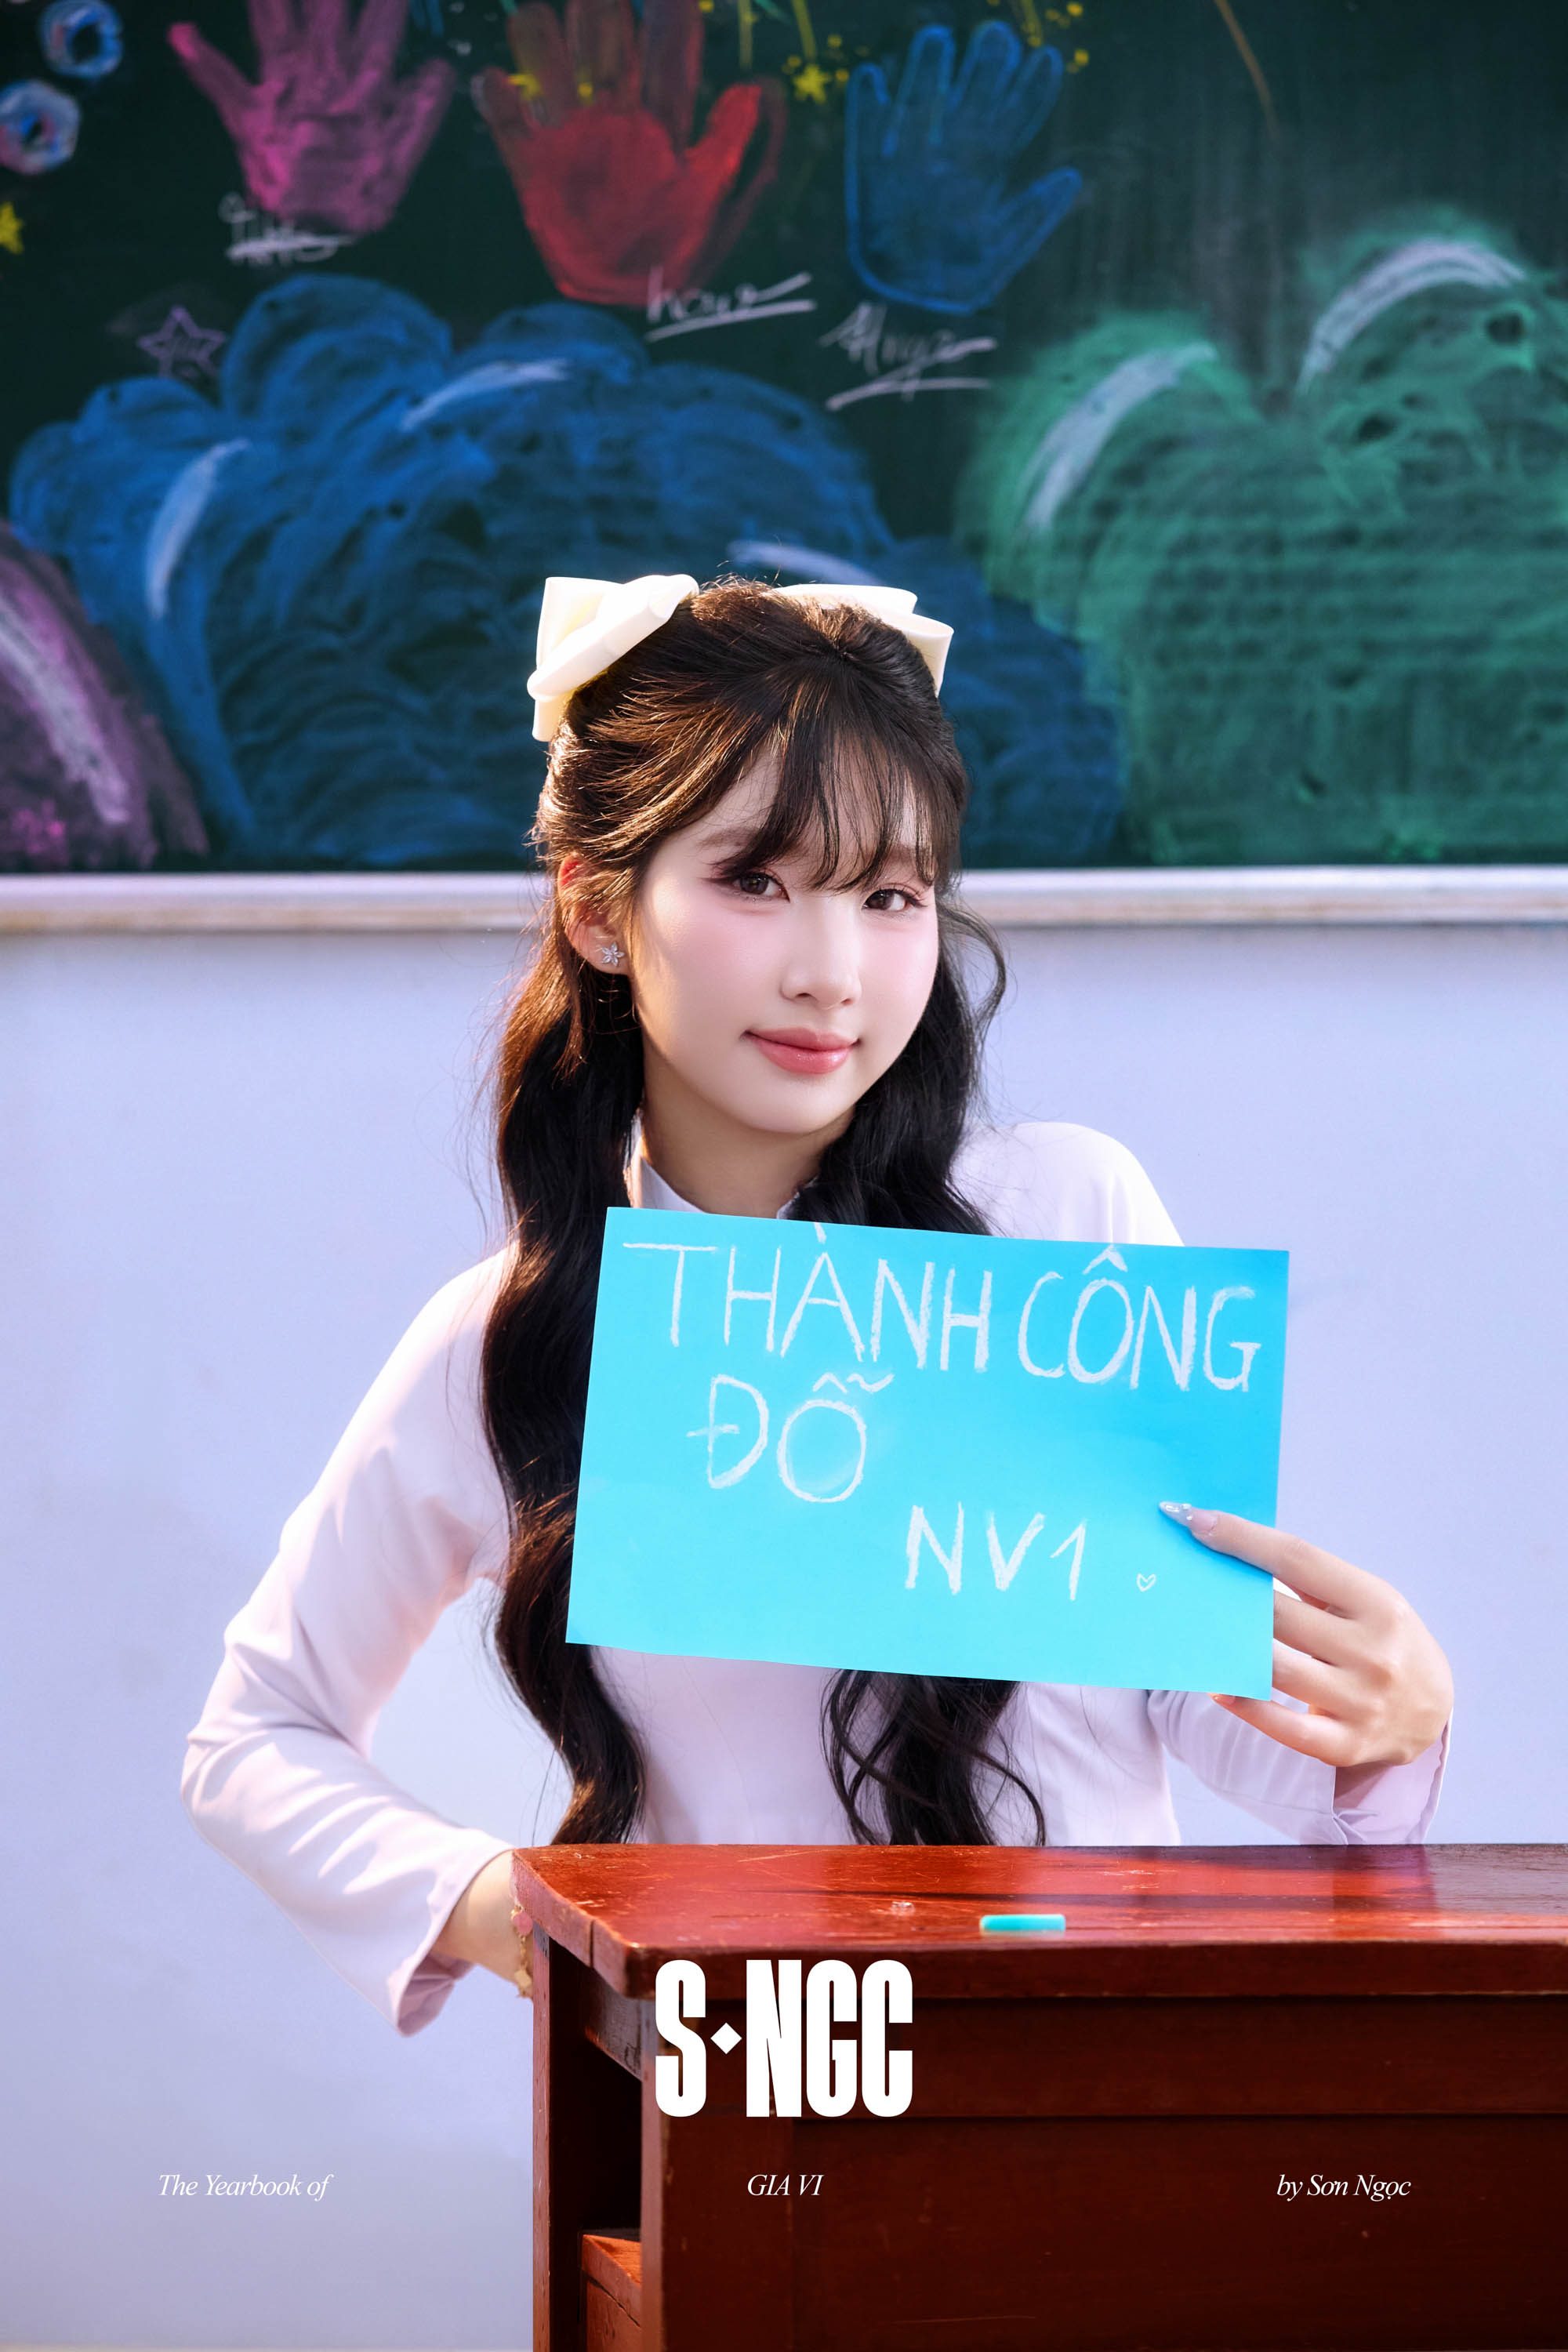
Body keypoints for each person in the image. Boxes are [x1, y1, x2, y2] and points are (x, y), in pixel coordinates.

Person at [180, 572, 1454, 2038]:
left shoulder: (1062, 1221)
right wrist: (494, 1907)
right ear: (598, 910)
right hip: (753, 2098)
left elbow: (1185, 1693)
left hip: (1091, 2065)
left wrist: (1383, 1724)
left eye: (889, 896)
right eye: (756, 881)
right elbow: (252, 1737)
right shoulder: (515, 1341)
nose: (832, 975)